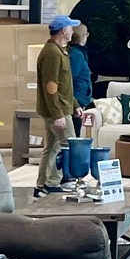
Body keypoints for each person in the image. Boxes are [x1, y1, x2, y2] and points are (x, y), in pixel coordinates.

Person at [35, 14, 79, 197]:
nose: (73, 31)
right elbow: (51, 87)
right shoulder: (52, 53)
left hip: (61, 106)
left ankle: (43, 184)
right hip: (57, 109)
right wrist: (58, 114)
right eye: (71, 28)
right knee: (69, 144)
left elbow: (63, 84)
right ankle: (54, 181)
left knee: (52, 147)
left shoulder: (58, 51)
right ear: (63, 30)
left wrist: (75, 104)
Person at [69, 23, 95, 138]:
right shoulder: (77, 54)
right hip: (77, 96)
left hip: (79, 96)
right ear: (83, 36)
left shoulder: (76, 52)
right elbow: (70, 77)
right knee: (76, 128)